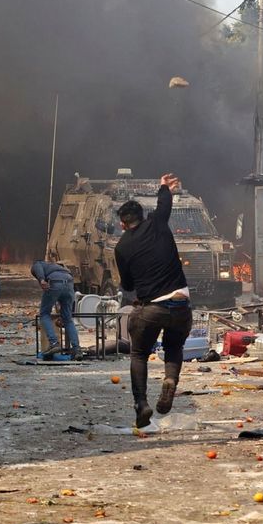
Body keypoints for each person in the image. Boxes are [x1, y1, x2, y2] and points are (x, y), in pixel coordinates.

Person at [114, 173, 191, 428]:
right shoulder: (157, 223)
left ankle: (141, 404)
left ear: (123, 224)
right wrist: (163, 186)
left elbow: (127, 285)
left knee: (138, 353)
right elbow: (164, 205)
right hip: (181, 303)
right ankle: (170, 380)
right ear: (143, 216)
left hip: (152, 308)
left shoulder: (122, 247)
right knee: (174, 348)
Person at [31, 260, 81, 359]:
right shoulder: (59, 268)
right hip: (70, 284)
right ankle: (77, 349)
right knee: (67, 318)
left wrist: (41, 280)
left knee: (44, 313)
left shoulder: (38, 264)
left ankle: (54, 343)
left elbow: (37, 268)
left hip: (55, 283)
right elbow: (62, 293)